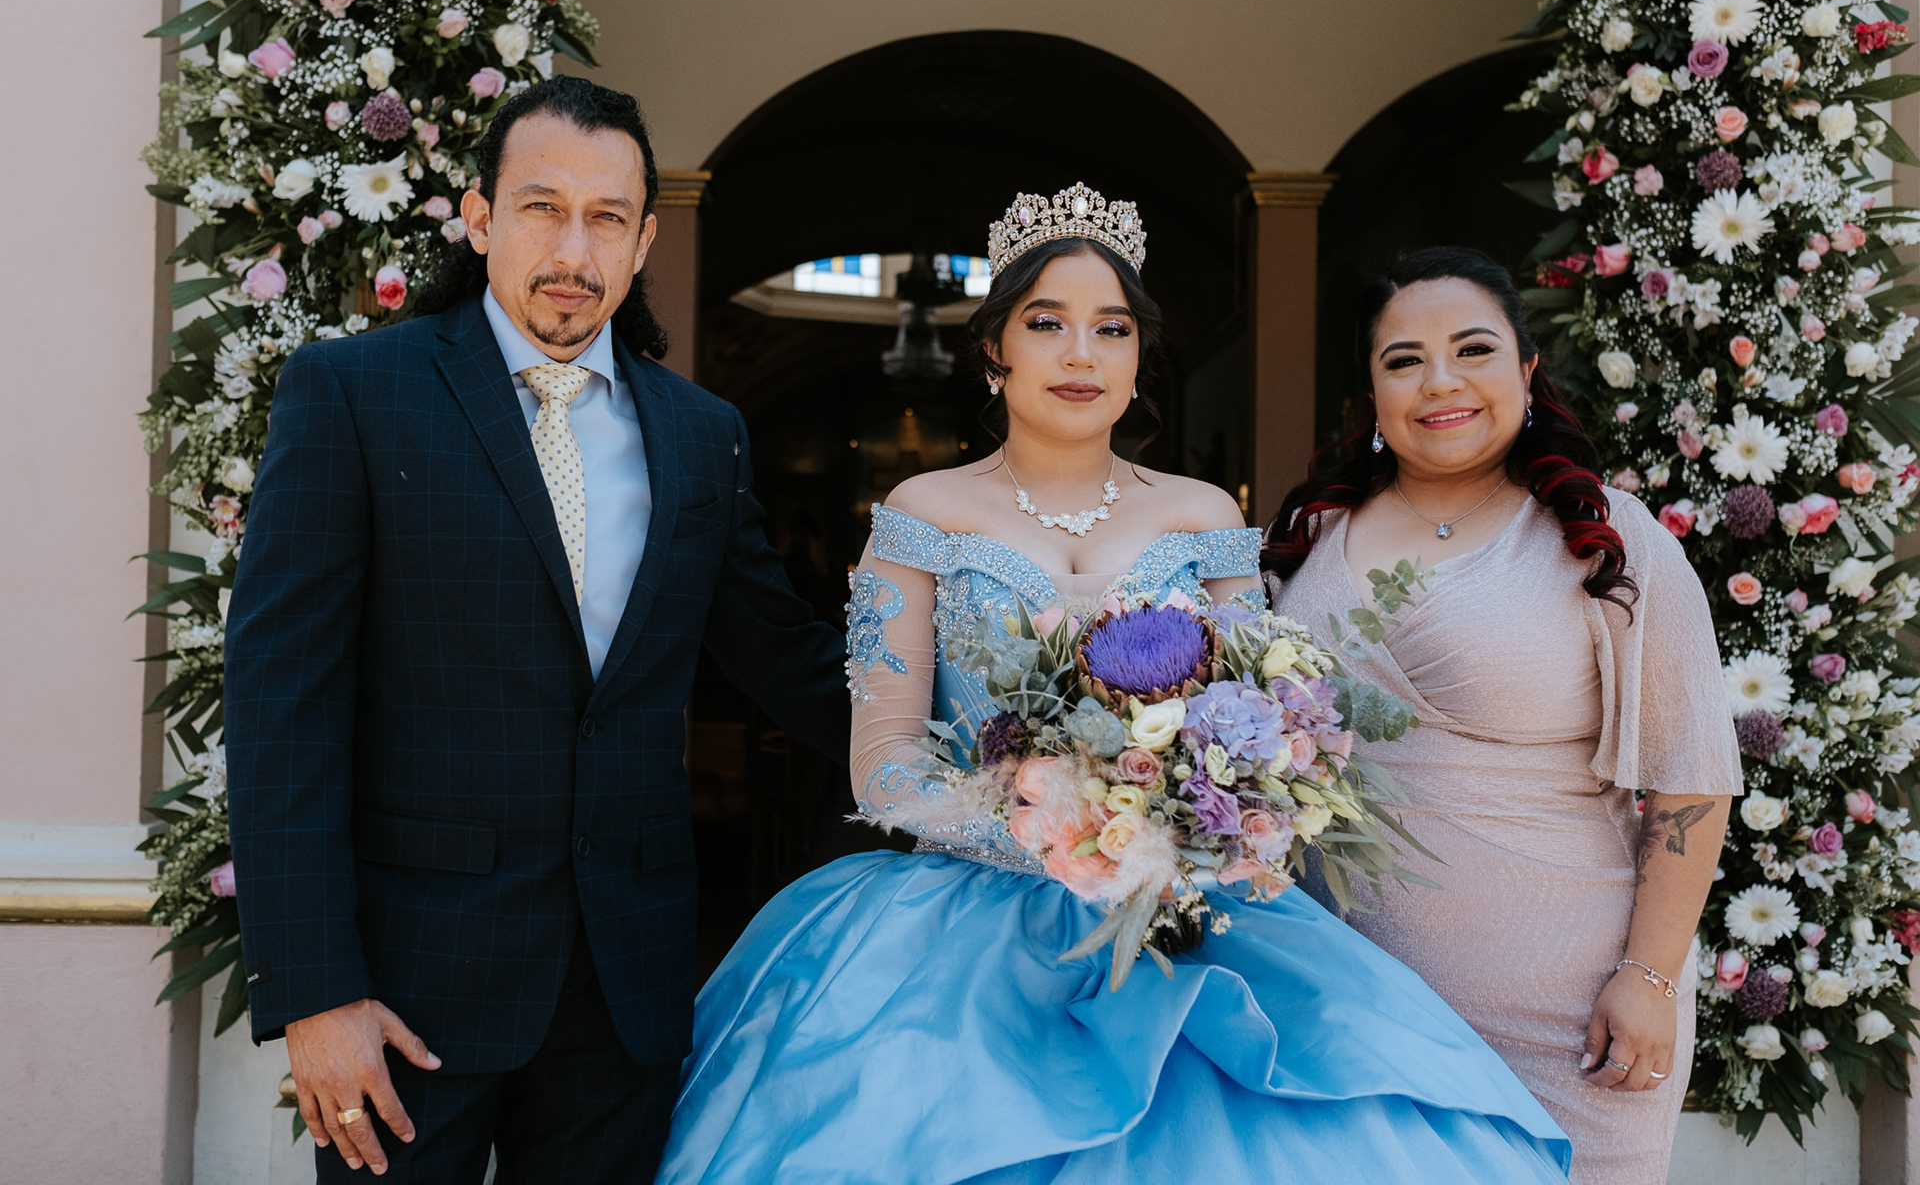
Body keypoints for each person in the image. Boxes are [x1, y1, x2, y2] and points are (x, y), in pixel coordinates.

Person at [657, 189, 1572, 1183]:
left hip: (1183, 916)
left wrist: (1204, 819)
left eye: (1112, 328)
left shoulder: (1203, 514)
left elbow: (1258, 721)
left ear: (1141, 357)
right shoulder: (924, 512)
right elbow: (882, 765)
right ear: (995, 350)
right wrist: (1064, 828)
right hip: (965, 922)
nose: (1081, 355)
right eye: (1047, 324)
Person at [225, 76, 848, 1182]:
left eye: (607, 218)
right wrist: (316, 991)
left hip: (624, 987)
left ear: (644, 240)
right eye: (541, 208)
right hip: (405, 987)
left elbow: (790, 661)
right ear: (479, 218)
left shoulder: (702, 434)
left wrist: (1007, 750)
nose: (573, 250)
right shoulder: (353, 394)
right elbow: (282, 707)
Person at [1265, 246, 1743, 1185]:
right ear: (1371, 392)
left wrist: (1649, 977)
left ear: (1526, 371)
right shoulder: (1310, 540)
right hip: (1349, 1004)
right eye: (1404, 360)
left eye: (1473, 349)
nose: (1440, 381)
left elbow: (1691, 775)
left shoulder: (1607, 538)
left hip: (1570, 1013)